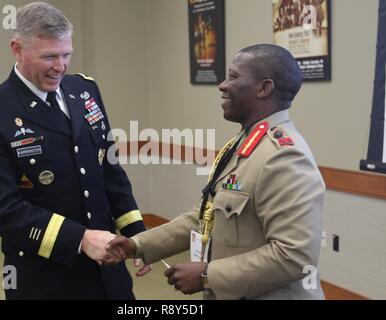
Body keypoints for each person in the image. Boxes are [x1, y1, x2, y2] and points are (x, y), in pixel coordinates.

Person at [107, 44, 325, 300]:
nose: (222, 85)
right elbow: (205, 216)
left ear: (264, 88)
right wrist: (137, 244)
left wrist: (208, 275)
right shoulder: (245, 143)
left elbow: (294, 255)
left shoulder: (283, 157)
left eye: (233, 77)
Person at [0, 2, 149, 300]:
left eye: (66, 55)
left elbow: (109, 172)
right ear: (17, 49)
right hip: (44, 275)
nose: (60, 66)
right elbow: (3, 211)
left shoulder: (85, 90)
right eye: (49, 56)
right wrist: (82, 239)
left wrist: (138, 235)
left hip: (108, 267)